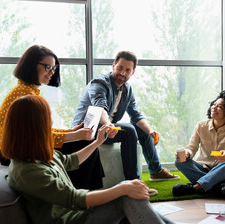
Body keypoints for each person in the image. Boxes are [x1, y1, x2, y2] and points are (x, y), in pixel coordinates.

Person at [3, 95, 225, 224]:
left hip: (75, 220)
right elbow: (74, 198)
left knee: (134, 203)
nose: (51, 124)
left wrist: (97, 142)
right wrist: (122, 189)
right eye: (47, 121)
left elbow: (70, 161)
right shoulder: (27, 171)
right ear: (33, 128)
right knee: (125, 197)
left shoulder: (39, 155)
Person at [0, 45, 104, 190]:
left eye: (53, 68)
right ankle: (85, 194)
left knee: (85, 145)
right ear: (32, 65)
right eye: (48, 67)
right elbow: (37, 137)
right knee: (85, 146)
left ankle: (89, 193)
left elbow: (41, 130)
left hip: (20, 147)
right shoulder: (25, 95)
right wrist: (74, 136)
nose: (52, 72)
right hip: (15, 152)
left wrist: (71, 132)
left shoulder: (28, 90)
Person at [72, 50, 179, 183]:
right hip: (89, 129)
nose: (122, 73)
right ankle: (133, 182)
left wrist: (150, 130)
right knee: (129, 130)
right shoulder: (99, 83)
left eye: (127, 70)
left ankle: (156, 171)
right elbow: (100, 107)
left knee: (143, 130)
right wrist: (108, 124)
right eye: (120, 68)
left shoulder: (127, 90)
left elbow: (136, 115)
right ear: (113, 66)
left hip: (107, 127)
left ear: (132, 72)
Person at [172, 90, 225, 198]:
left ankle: (195, 188)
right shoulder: (201, 126)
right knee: (179, 162)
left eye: (219, 106)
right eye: (213, 104)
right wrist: (187, 153)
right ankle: (216, 187)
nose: (214, 108)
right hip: (203, 168)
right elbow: (192, 147)